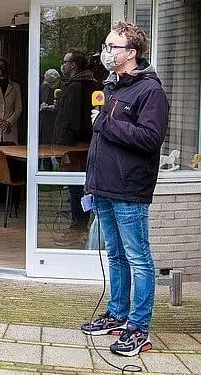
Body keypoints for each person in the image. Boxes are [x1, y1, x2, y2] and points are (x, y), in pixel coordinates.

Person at [81, 21, 169, 357]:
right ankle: (116, 315)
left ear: (131, 52)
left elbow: (150, 140)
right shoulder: (112, 87)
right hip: (104, 187)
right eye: (105, 45)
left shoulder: (150, 92)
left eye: (112, 46)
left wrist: (103, 122)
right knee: (115, 257)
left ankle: (138, 328)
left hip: (130, 189)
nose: (106, 52)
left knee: (138, 258)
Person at [52, 50, 101, 246]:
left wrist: (62, 148)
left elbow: (70, 120)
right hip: (88, 145)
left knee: (75, 189)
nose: (63, 65)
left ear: (73, 65)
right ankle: (83, 228)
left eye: (65, 61)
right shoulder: (93, 84)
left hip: (75, 148)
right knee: (83, 188)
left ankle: (77, 228)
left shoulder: (75, 88)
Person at [39, 69, 61, 144]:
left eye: (53, 82)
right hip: (45, 123)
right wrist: (41, 106)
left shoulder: (63, 88)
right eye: (48, 82)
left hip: (57, 123)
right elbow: (36, 102)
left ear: (58, 79)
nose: (51, 85)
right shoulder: (43, 87)